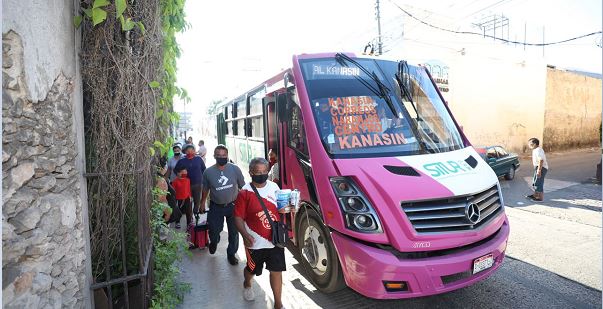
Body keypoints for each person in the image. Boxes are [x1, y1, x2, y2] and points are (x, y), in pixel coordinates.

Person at [233, 157, 285, 308]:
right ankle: (247, 283)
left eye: (264, 171)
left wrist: (288, 208)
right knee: (252, 269)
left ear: (268, 172)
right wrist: (245, 235)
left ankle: (278, 304)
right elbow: (237, 218)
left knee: (276, 271)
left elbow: (281, 209)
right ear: (250, 173)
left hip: (275, 239)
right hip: (254, 242)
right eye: (257, 172)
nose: (261, 175)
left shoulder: (274, 187)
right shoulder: (245, 193)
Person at [201, 145, 245, 265]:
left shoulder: (235, 169)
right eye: (219, 155)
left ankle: (231, 254)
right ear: (214, 156)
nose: (221, 157)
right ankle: (214, 241)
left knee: (234, 232)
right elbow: (205, 189)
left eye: (224, 155)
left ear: (227, 156)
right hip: (216, 207)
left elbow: (243, 187)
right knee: (214, 230)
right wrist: (201, 203)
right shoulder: (208, 172)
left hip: (233, 206)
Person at [175, 144, 206, 215]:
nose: (190, 152)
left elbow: (204, 169)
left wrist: (203, 180)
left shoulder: (199, 159)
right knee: (187, 201)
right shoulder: (182, 161)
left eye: (192, 150)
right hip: (186, 185)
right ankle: (189, 216)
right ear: (185, 152)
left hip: (198, 183)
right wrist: (179, 174)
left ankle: (195, 213)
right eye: (188, 151)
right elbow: (176, 170)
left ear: (195, 151)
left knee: (197, 200)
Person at [526, 138, 548, 202]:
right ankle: (535, 195)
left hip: (541, 168)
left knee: (539, 182)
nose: (529, 145)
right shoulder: (536, 150)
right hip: (539, 167)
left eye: (530, 144)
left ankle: (540, 198)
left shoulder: (538, 150)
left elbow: (541, 160)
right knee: (535, 182)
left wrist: (539, 170)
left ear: (535, 144)